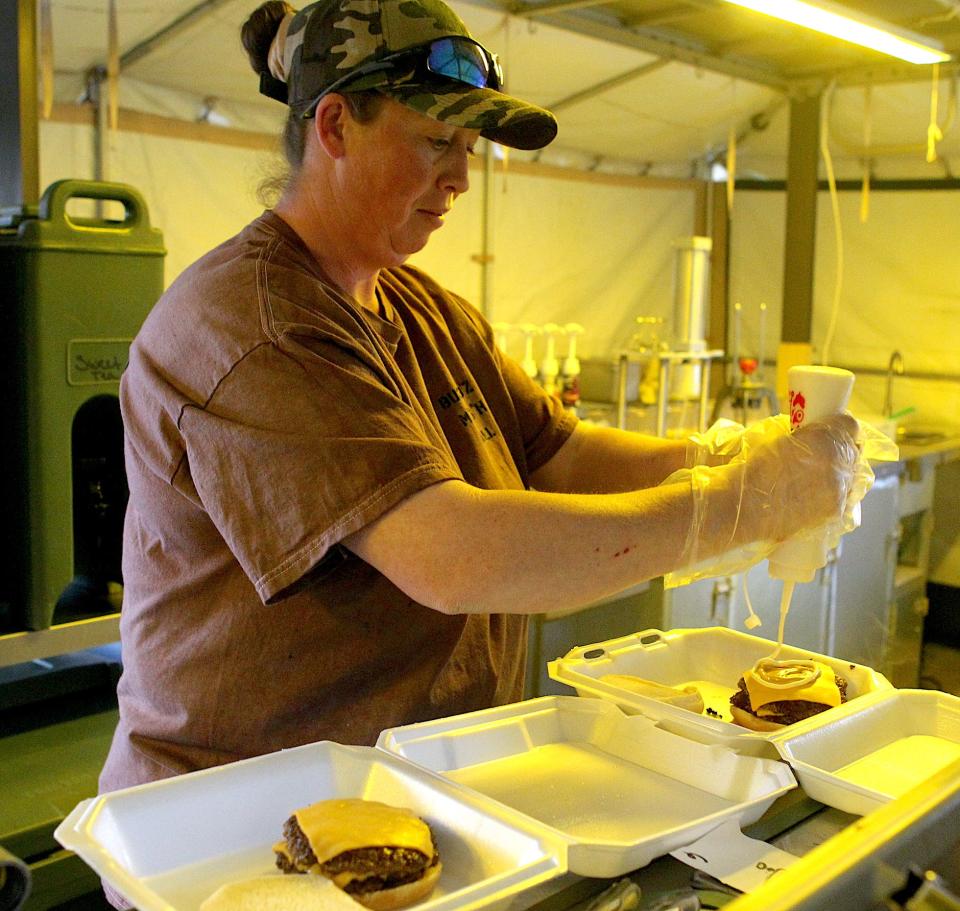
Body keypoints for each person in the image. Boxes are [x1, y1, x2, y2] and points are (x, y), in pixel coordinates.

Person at [98, 0, 857, 899]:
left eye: (470, 147)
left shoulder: (418, 306)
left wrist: (724, 453)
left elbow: (562, 454)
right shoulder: (256, 324)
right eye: (436, 141)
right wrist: (741, 504)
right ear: (336, 123)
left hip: (402, 806)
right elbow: (451, 554)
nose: (464, 175)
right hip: (244, 839)